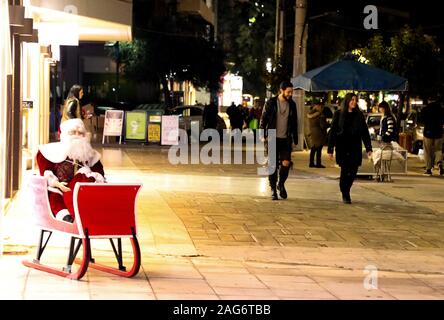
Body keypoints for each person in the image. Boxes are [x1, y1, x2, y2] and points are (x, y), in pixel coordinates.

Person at [36, 118, 106, 223]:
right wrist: (57, 184)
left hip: (82, 193)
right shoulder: (48, 152)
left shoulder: (92, 155)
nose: (76, 136)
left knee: (85, 171)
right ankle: (65, 216)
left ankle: (84, 215)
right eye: (72, 132)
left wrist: (89, 175)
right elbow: (46, 171)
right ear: (64, 135)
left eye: (80, 133)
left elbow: (100, 174)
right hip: (59, 190)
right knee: (53, 195)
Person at [327, 93, 372, 204]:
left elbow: (365, 132)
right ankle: (345, 193)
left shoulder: (359, 115)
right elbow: (333, 132)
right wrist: (330, 149)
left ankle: (346, 188)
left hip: (355, 146)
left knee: (353, 171)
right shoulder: (338, 114)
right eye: (351, 100)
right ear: (347, 101)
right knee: (345, 170)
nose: (353, 102)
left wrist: (368, 147)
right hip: (342, 146)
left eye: (355, 100)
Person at [260, 81, 298, 200]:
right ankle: (273, 190)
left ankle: (280, 184)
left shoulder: (292, 104)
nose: (290, 94)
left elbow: (294, 122)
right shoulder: (271, 103)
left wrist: (295, 138)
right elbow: (263, 119)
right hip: (272, 137)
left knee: (286, 163)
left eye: (291, 92)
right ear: (281, 90)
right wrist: (262, 134)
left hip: (285, 139)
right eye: (288, 92)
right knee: (272, 165)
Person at [421, 98, 444, 176]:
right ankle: (440, 163)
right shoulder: (441, 109)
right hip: (439, 132)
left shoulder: (426, 109)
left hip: (428, 132)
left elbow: (422, 120)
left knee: (427, 151)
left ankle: (428, 169)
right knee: (438, 149)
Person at [307, 101, 328, 168]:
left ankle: (311, 163)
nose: (322, 108)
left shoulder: (310, 114)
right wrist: (328, 124)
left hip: (313, 132)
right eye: (322, 107)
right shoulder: (320, 115)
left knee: (313, 148)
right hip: (319, 133)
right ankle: (318, 163)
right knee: (319, 149)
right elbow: (322, 125)